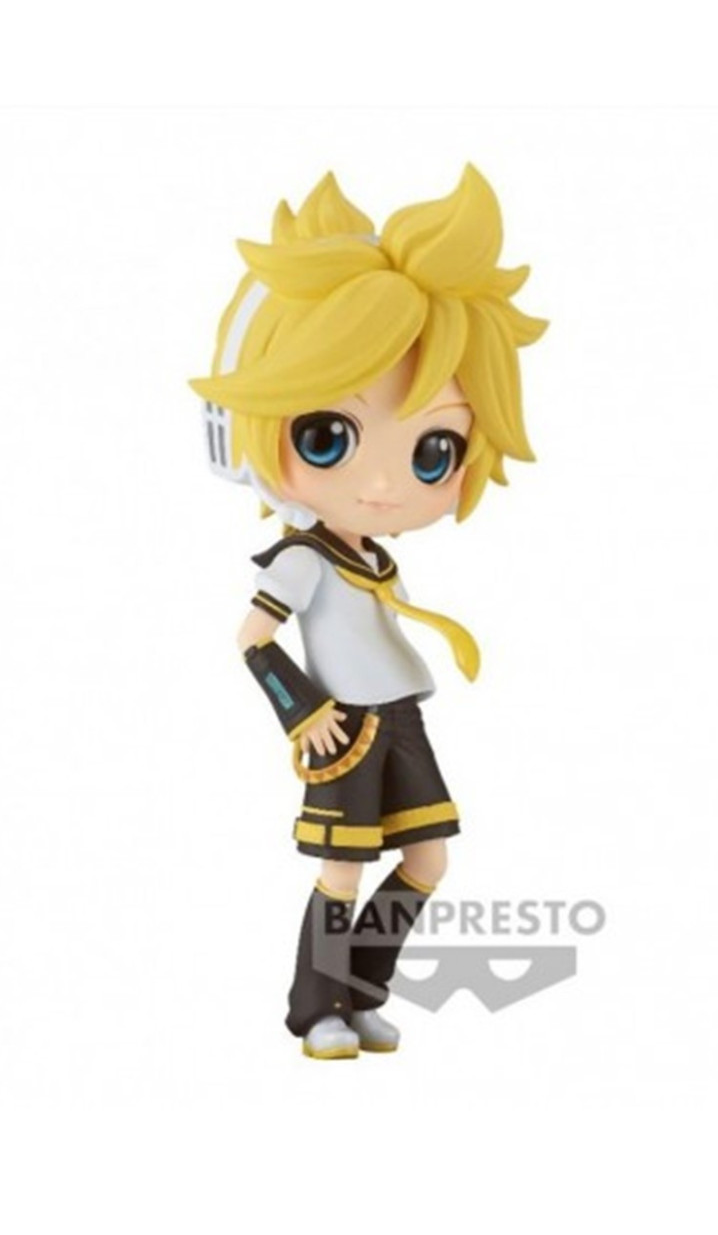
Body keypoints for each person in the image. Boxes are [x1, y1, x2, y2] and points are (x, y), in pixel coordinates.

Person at [189, 164, 547, 1058]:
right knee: (342, 867)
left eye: (433, 451)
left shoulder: (371, 555)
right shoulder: (304, 558)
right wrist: (302, 711)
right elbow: (252, 637)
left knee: (427, 859)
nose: (385, 484)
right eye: (328, 437)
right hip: (345, 726)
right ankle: (316, 1009)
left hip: (400, 719)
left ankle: (362, 991)